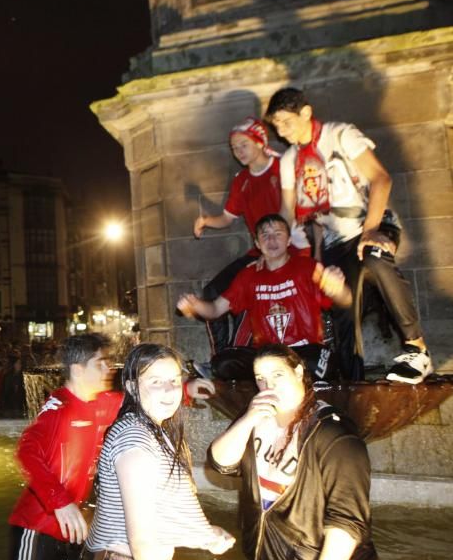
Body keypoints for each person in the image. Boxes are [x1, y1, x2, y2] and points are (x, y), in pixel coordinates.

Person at [266, 87, 431, 383]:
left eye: (285, 122)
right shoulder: (290, 160)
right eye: (275, 125)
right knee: (342, 305)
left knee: (375, 258)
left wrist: (371, 230)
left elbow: (381, 178)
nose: (281, 130)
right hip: (333, 242)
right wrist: (275, 254)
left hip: (372, 224)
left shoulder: (340, 134)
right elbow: (286, 213)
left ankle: (417, 348)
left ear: (305, 113)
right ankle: (351, 381)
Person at [208, 345, 376, 560]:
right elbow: (221, 464)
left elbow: (347, 521)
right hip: (268, 557)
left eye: (278, 375)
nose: (269, 386)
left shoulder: (333, 434)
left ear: (298, 372)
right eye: (261, 378)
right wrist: (246, 420)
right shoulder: (256, 417)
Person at [80, 344, 234, 560]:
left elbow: (154, 510)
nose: (169, 390)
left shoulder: (153, 429)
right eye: (155, 382)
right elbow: (142, 542)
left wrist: (204, 535)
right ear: (132, 387)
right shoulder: (136, 440)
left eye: (173, 380)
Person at [177, 214, 352, 381]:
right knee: (222, 363)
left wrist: (338, 289)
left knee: (321, 363)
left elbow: (346, 301)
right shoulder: (248, 275)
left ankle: (281, 377)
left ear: (289, 240)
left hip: (303, 351)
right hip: (265, 356)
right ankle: (275, 376)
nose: (272, 240)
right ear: (257, 244)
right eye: (265, 235)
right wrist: (195, 305)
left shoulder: (308, 267)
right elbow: (215, 309)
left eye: (278, 234)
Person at [7, 333, 122, 560]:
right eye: (99, 363)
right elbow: (27, 451)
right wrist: (60, 502)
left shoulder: (101, 403)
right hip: (38, 525)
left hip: (71, 527)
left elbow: (139, 402)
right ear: (78, 370)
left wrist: (185, 390)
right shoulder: (59, 408)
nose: (108, 369)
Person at [194, 118, 292, 352]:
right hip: (257, 252)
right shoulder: (242, 181)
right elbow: (228, 217)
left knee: (246, 294)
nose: (238, 152)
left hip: (287, 249)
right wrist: (206, 221)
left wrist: (271, 255)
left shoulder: (282, 168)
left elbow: (290, 213)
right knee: (212, 292)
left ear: (260, 142)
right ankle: (221, 356)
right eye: (234, 148)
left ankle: (240, 356)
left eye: (243, 145)